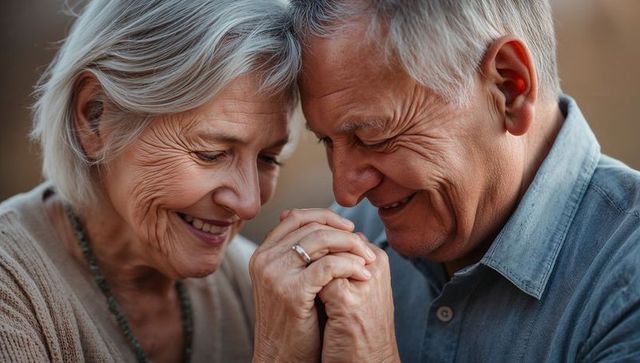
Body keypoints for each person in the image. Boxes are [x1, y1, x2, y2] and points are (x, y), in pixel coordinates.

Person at [251, 1, 640, 362]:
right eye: (327, 143)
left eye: (375, 139)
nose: (346, 194)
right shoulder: (345, 244)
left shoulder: (626, 283)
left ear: (508, 87)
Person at [0, 0, 304, 361]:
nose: (249, 203)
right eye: (210, 153)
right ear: (95, 116)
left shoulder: (261, 289)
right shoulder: (14, 289)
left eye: (267, 159)